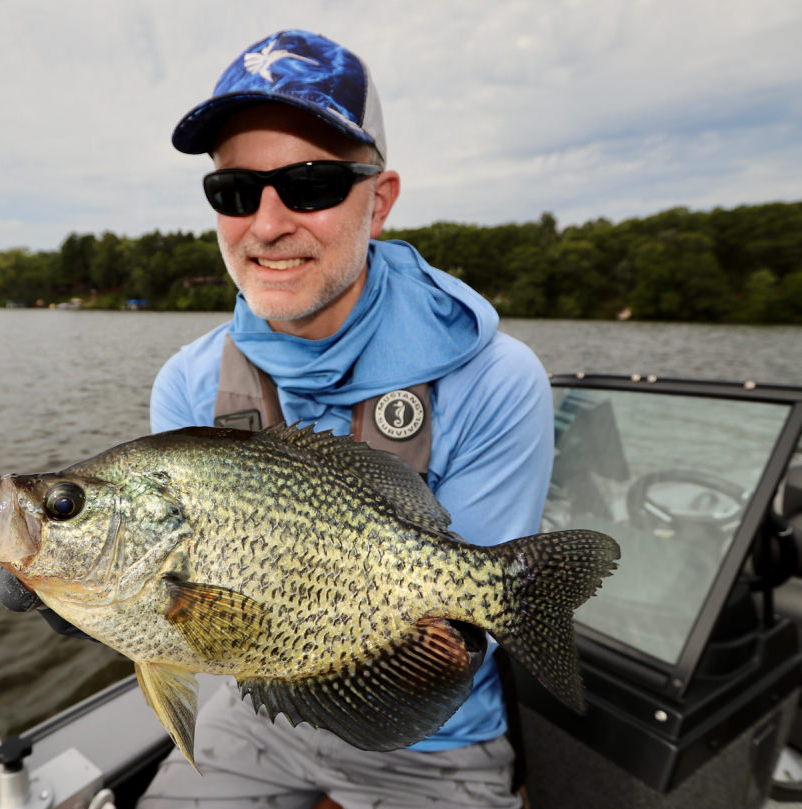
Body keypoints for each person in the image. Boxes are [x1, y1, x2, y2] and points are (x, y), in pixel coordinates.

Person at [134, 29, 555, 809]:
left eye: (311, 184)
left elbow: (463, 635)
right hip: (257, 712)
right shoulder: (187, 383)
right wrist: (106, 605)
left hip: (436, 739)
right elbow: (192, 629)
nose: (265, 224)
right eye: (233, 191)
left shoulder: (498, 379)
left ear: (380, 199)